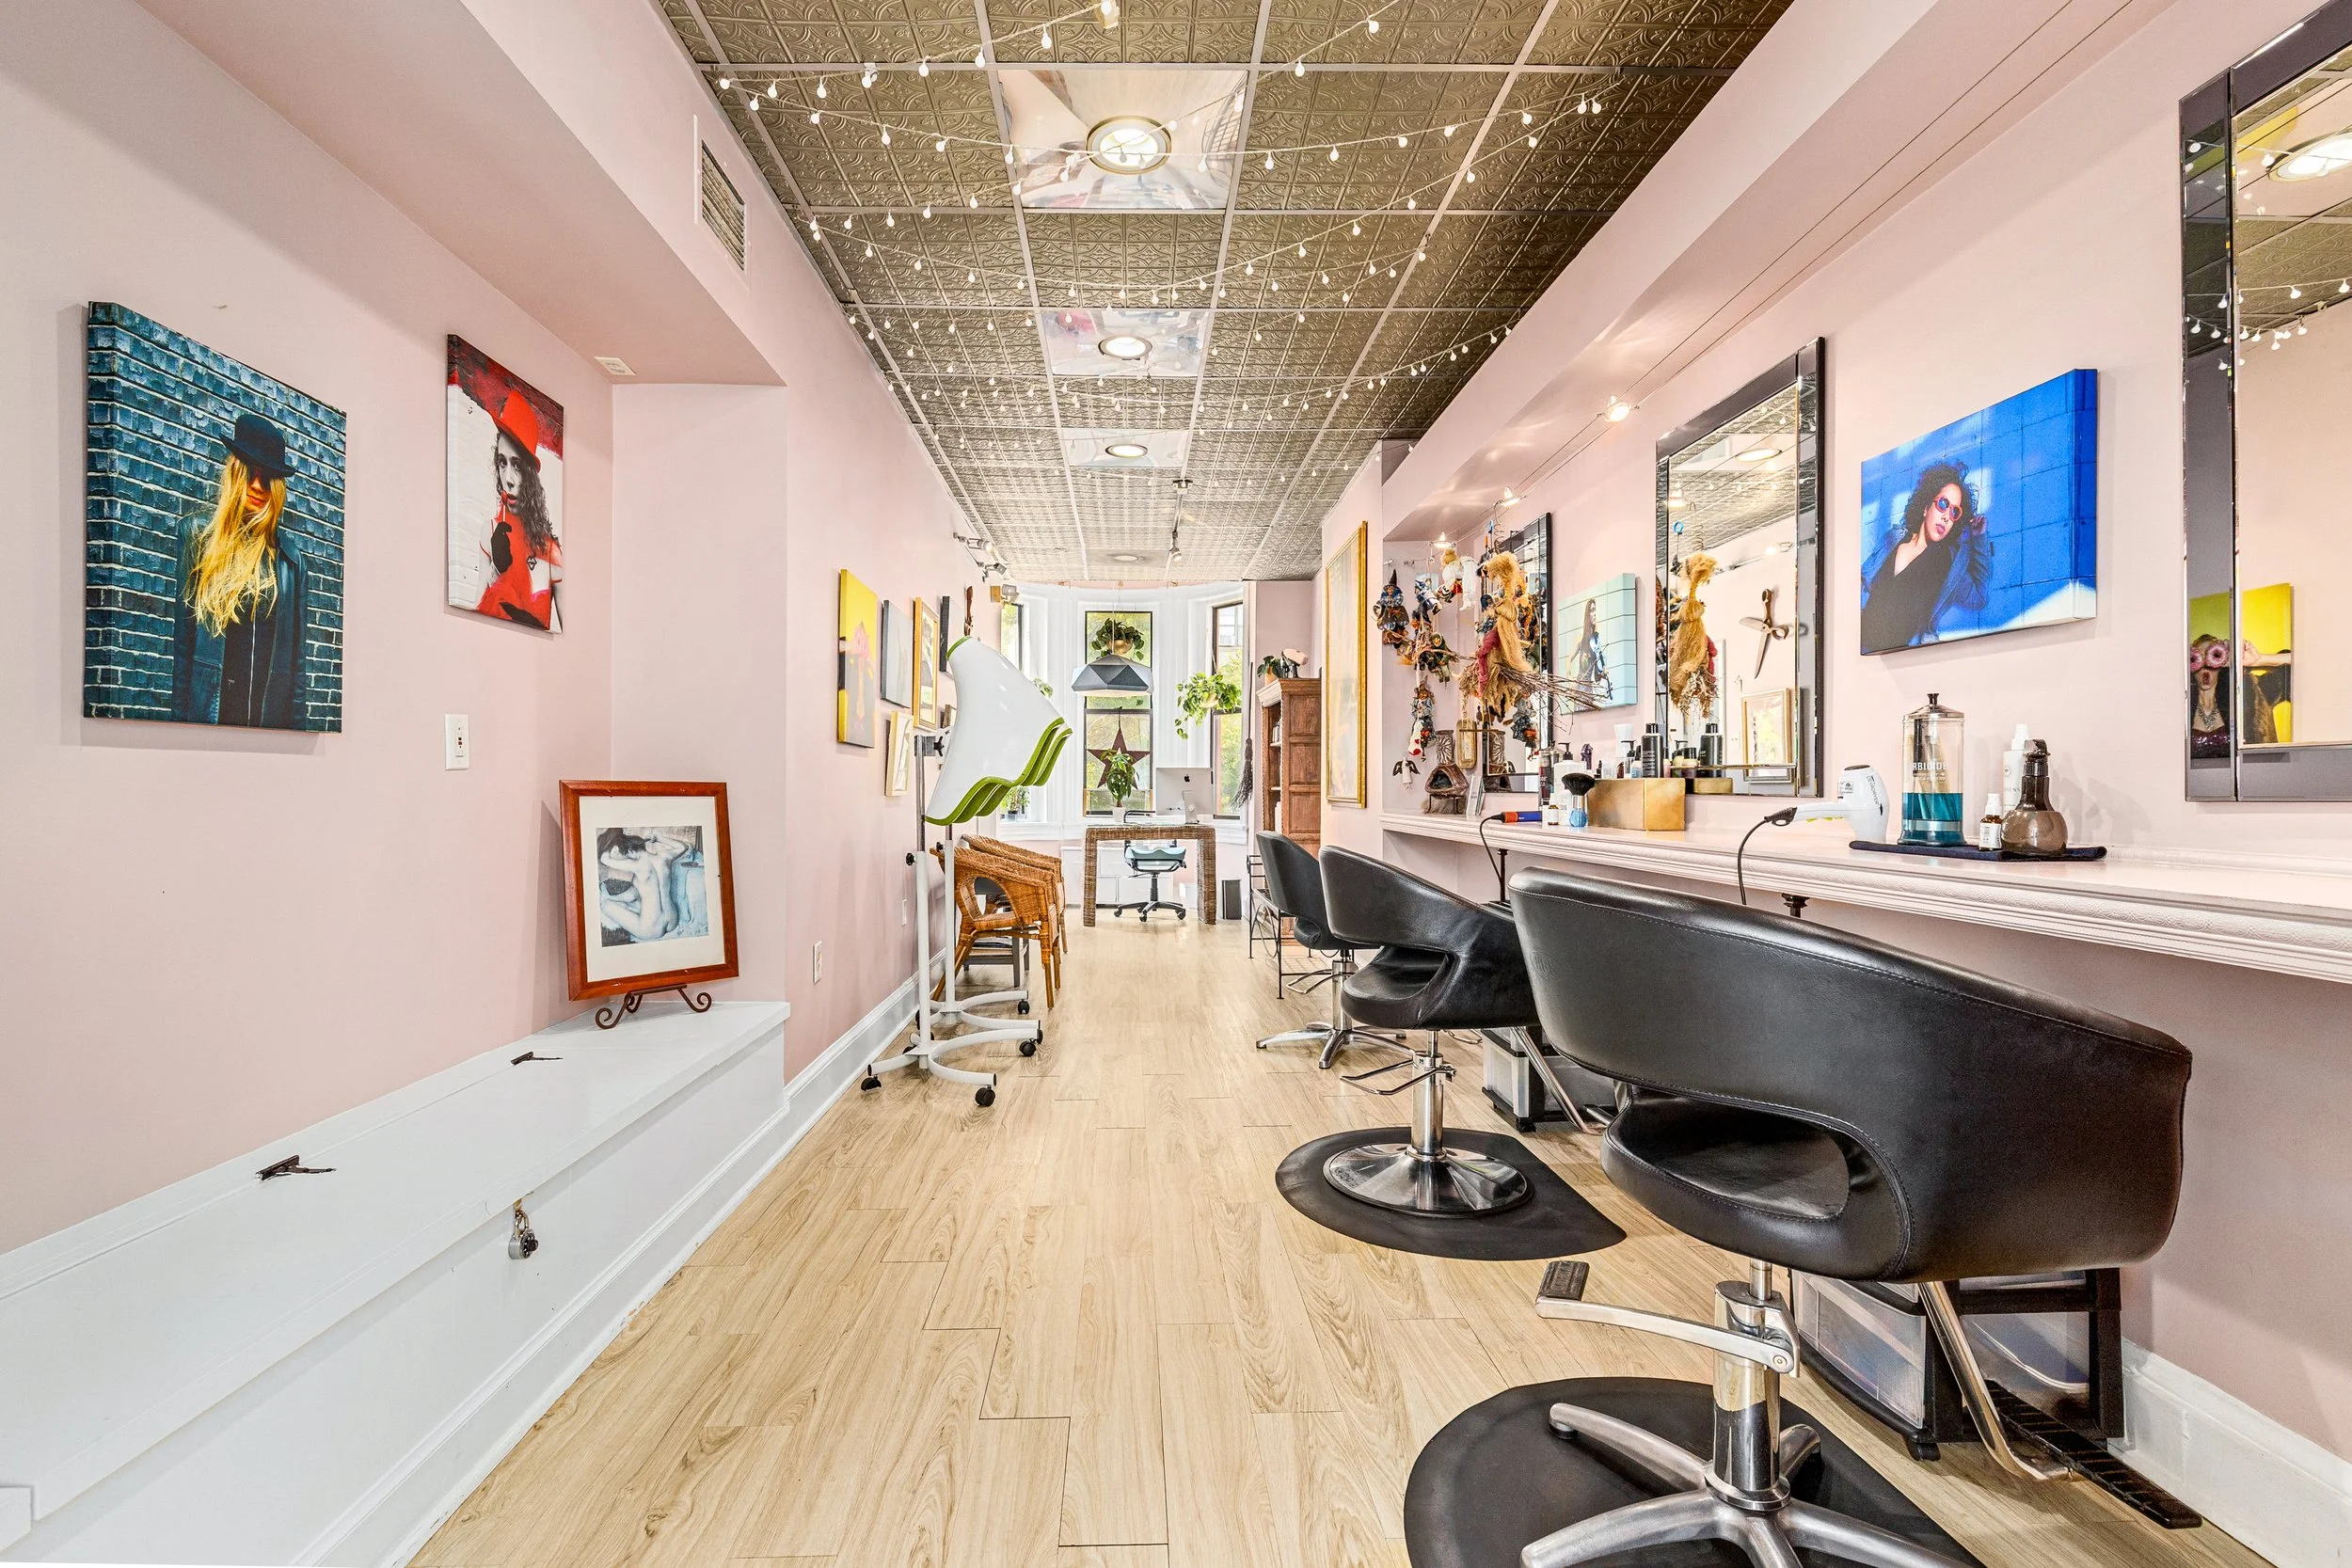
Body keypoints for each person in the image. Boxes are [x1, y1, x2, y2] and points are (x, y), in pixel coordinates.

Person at [171, 413, 312, 729]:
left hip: (268, 725)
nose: (258, 486)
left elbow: (296, 667)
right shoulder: (198, 537)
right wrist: (179, 727)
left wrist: (298, 737)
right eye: (251, 473)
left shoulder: (291, 561)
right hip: (210, 717)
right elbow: (183, 647)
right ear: (236, 473)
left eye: (269, 478)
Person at [1859, 461, 1991, 652]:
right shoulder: (1894, 538)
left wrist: (1979, 539)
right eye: (1943, 504)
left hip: (1903, 659)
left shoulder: (1947, 562)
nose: (1947, 516)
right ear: (1926, 506)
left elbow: (1979, 598)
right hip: (1861, 651)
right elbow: (1863, 578)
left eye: (1955, 511)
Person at [474, 389, 562, 629]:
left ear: (530, 477)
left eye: (517, 466)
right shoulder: (490, 531)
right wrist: (496, 571)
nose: (508, 479)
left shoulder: (551, 553)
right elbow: (476, 616)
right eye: (502, 463)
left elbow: (574, 635)